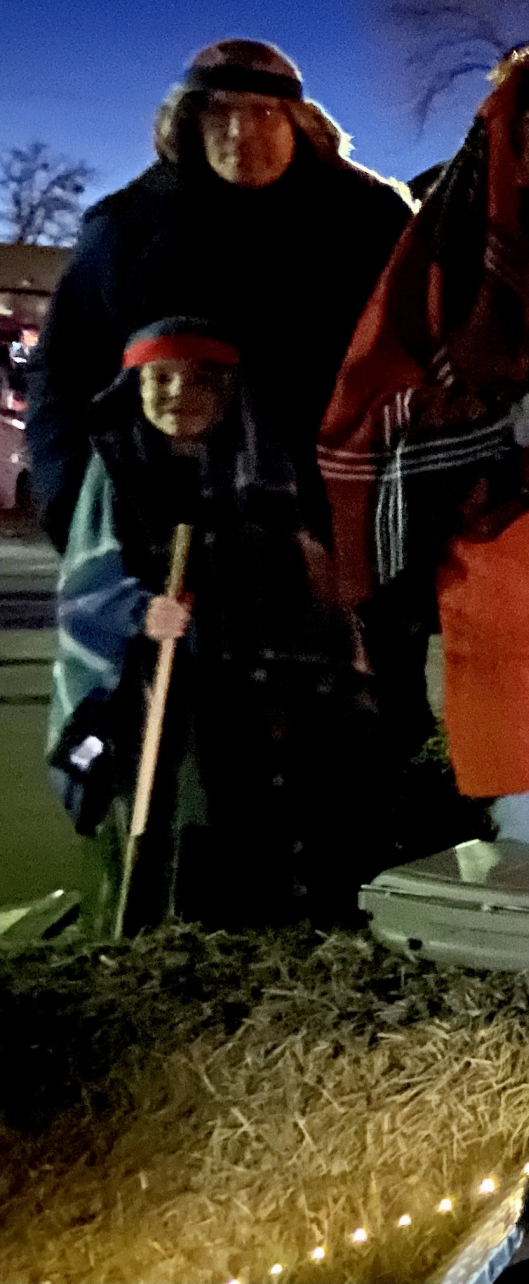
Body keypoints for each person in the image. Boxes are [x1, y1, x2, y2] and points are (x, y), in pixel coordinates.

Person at [318, 42, 529, 850]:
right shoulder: (446, 251)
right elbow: (369, 410)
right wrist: (504, 426)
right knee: (525, 772)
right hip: (495, 551)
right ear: (502, 134)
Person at [48, 318, 386, 928]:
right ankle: (153, 934)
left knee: (258, 817)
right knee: (168, 813)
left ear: (232, 390)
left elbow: (312, 574)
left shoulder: (268, 472)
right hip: (158, 692)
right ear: (135, 385)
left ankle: (253, 927)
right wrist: (136, 610)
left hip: (258, 691)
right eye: (161, 379)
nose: (179, 395)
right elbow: (83, 583)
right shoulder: (117, 469)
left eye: (202, 381)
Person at [28, 40, 412, 550]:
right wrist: (73, 505)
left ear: (298, 120)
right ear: (189, 120)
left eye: (264, 112)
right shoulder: (128, 229)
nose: (240, 132)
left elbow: (423, 356)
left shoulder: (371, 223)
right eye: (219, 110)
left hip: (343, 527)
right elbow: (64, 373)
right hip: (169, 533)